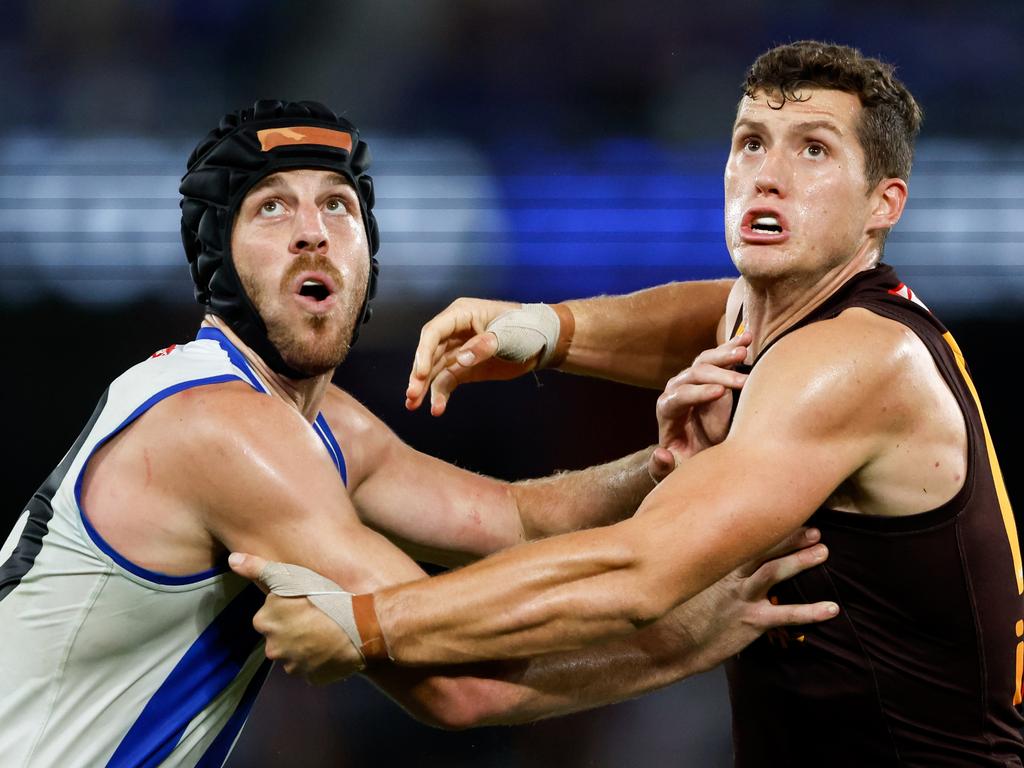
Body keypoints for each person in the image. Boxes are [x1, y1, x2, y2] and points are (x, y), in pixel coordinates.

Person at [231, 42, 1023, 766]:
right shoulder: (789, 314)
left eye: (813, 149)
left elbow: (640, 572)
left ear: (884, 204)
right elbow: (706, 313)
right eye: (751, 142)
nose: (767, 174)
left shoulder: (855, 357)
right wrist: (551, 329)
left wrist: (372, 624)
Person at [0, 99, 833, 768]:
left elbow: (512, 521)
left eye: (337, 204)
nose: (311, 229)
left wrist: (662, 466)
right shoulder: (222, 429)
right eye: (270, 208)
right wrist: (697, 635)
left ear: (368, 254)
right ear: (216, 260)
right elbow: (456, 690)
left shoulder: (314, 422)